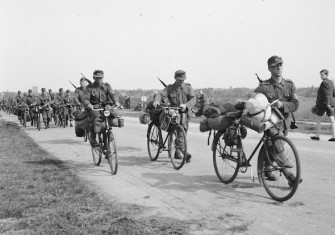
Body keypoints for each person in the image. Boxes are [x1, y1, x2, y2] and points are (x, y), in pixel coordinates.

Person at [254, 55, 301, 186]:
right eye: (275, 66)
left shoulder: (289, 85)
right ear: (269, 68)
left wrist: (283, 105)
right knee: (278, 147)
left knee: (273, 146)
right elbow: (255, 100)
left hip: (284, 123)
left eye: (280, 65)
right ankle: (290, 176)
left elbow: (295, 104)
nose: (279, 68)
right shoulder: (264, 87)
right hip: (270, 123)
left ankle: (267, 168)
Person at [153, 70, 196, 163]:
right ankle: (184, 152)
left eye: (183, 79)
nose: (181, 81)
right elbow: (160, 94)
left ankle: (177, 151)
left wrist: (186, 105)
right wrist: (156, 100)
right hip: (174, 114)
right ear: (175, 78)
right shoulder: (170, 88)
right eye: (179, 80)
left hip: (185, 114)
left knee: (183, 133)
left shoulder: (188, 87)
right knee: (180, 133)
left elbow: (193, 98)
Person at [82, 70, 120, 146]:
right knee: (95, 119)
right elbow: (85, 98)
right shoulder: (89, 88)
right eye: (97, 78)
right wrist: (88, 104)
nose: (99, 80)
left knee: (112, 115)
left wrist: (116, 102)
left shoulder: (106, 86)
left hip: (106, 106)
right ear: (93, 78)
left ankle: (109, 132)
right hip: (94, 107)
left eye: (100, 78)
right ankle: (93, 138)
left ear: (103, 78)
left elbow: (112, 94)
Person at [310, 69, 335, 141]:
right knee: (332, 120)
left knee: (318, 119)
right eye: (320, 75)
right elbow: (333, 93)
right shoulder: (331, 82)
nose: (321, 76)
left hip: (323, 104)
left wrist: (327, 104)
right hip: (331, 103)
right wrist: (331, 103)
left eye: (322, 75)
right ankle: (333, 137)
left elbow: (325, 94)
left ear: (326, 75)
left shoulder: (324, 83)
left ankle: (317, 136)